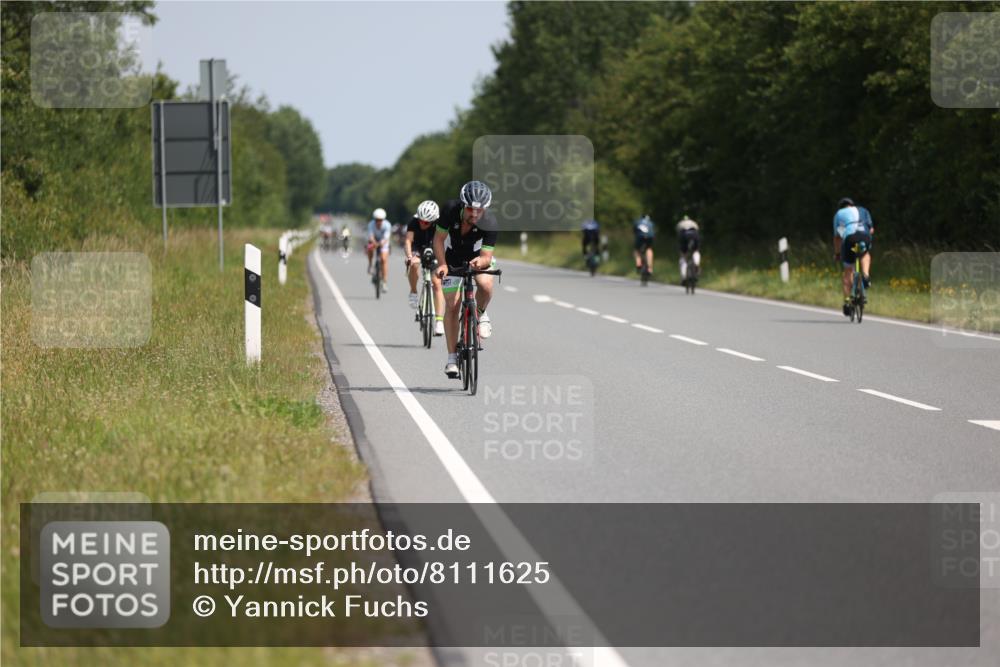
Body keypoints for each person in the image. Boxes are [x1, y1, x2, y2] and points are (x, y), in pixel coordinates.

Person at [433, 180, 497, 378]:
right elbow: (438, 240)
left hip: (477, 257)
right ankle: (452, 358)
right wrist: (442, 264)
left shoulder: (491, 222)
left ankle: (481, 313)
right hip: (451, 257)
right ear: (463, 205)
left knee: (485, 284)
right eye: (470, 209)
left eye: (480, 210)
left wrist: (481, 263)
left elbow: (487, 256)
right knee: (452, 305)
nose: (475, 214)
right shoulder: (450, 210)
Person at [405, 200, 446, 336]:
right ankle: (413, 291)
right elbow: (408, 241)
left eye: (426, 223)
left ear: (434, 220)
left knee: (436, 283)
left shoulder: (440, 224)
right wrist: (409, 256)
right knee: (414, 264)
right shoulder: (414, 221)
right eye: (421, 221)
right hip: (418, 248)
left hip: (434, 249)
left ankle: (439, 321)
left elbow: (444, 242)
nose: (422, 224)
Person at [832, 197, 874, 316]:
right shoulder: (863, 210)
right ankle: (866, 275)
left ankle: (846, 302)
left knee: (848, 271)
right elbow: (871, 230)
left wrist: (837, 254)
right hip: (864, 236)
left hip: (850, 239)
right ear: (852, 205)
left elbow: (837, 237)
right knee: (865, 254)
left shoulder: (839, 214)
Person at [366, 208, 392, 291]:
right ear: (374, 220)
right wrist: (374, 243)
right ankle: (370, 264)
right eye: (377, 220)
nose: (378, 222)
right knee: (369, 248)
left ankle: (384, 282)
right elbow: (371, 236)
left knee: (384, 260)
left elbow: (386, 238)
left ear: (383, 220)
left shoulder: (387, 225)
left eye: (380, 220)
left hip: (383, 242)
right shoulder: (371, 224)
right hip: (373, 241)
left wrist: (380, 244)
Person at [676, 215, 701, 286]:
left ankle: (684, 277)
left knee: (683, 257)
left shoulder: (680, 224)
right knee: (696, 251)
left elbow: (678, 233)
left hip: (683, 236)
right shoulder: (693, 223)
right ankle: (696, 264)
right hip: (694, 235)